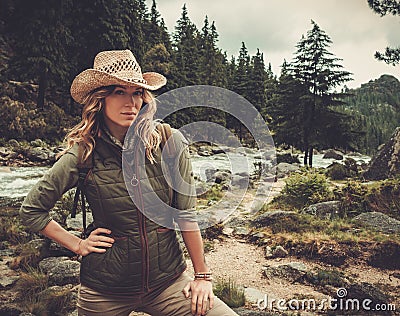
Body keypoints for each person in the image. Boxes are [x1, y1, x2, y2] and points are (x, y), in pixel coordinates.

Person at [19, 49, 238, 316]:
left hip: (168, 284)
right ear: (100, 99)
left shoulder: (169, 141)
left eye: (136, 93)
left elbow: (185, 215)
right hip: (105, 291)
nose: (131, 103)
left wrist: (202, 277)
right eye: (119, 92)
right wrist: (76, 244)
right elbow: (32, 210)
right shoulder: (83, 153)